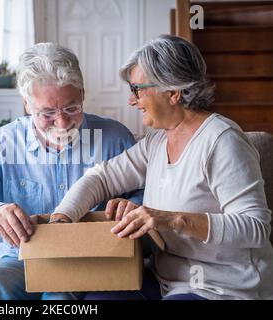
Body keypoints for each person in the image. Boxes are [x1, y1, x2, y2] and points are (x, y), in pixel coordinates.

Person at [52, 34, 273, 300]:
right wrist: (61, 218)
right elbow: (102, 178)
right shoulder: (156, 141)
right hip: (164, 280)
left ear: (173, 92)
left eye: (137, 90)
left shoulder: (222, 141)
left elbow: (255, 228)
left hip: (219, 288)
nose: (132, 101)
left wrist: (171, 219)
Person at [0, 42, 143, 300]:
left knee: (59, 297)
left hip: (89, 260)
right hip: (21, 261)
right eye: (47, 113)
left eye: (71, 108)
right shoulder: (4, 144)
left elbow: (149, 199)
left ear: (82, 94)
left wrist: (132, 205)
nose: (62, 123)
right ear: (27, 104)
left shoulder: (114, 139)